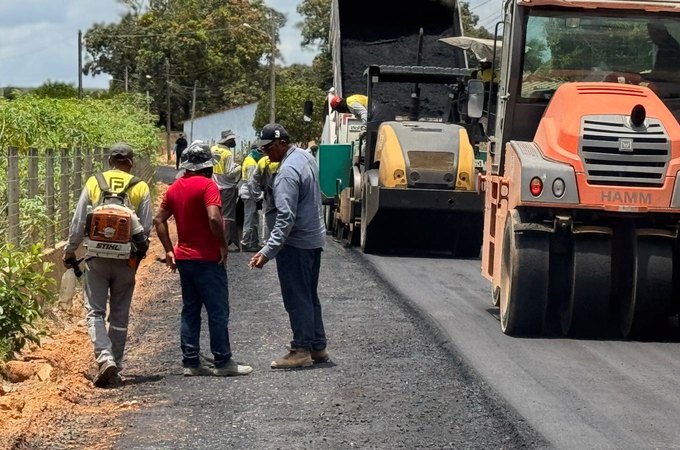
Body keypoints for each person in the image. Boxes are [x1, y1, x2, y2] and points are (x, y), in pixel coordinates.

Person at [154, 141, 253, 377]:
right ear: (208, 165)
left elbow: (159, 220)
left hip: (185, 258)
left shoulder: (175, 187)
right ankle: (223, 361)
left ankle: (191, 361)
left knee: (190, 309)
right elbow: (213, 217)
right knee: (217, 310)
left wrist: (169, 250)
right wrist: (222, 244)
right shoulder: (208, 186)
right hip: (208, 258)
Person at [63, 143, 152, 388]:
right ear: (130, 163)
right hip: (126, 260)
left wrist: (70, 250)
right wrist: (138, 256)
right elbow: (145, 228)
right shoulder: (140, 186)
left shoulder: (94, 182)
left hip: (96, 258)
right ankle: (117, 366)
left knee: (95, 312)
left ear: (109, 161)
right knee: (120, 315)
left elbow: (79, 221)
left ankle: (105, 357)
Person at [249, 124, 328, 369]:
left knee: (296, 296)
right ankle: (317, 346)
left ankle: (301, 349)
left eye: (269, 148)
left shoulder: (287, 173)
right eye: (262, 149)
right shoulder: (305, 157)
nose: (266, 153)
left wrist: (267, 251)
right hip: (313, 239)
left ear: (282, 142)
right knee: (308, 294)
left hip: (295, 243)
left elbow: (285, 218)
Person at [211, 130, 242, 250]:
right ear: (228, 141)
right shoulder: (228, 153)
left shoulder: (213, 149)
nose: (234, 142)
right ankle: (225, 241)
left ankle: (218, 240)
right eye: (233, 140)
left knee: (216, 214)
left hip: (214, 186)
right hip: (227, 188)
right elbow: (229, 173)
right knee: (228, 216)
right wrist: (239, 167)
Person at [239, 144, 264, 251]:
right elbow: (251, 182)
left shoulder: (249, 159)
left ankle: (254, 242)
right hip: (249, 194)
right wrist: (258, 197)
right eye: (259, 151)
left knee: (254, 219)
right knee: (249, 219)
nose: (261, 153)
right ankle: (245, 242)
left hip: (249, 193)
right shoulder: (251, 163)